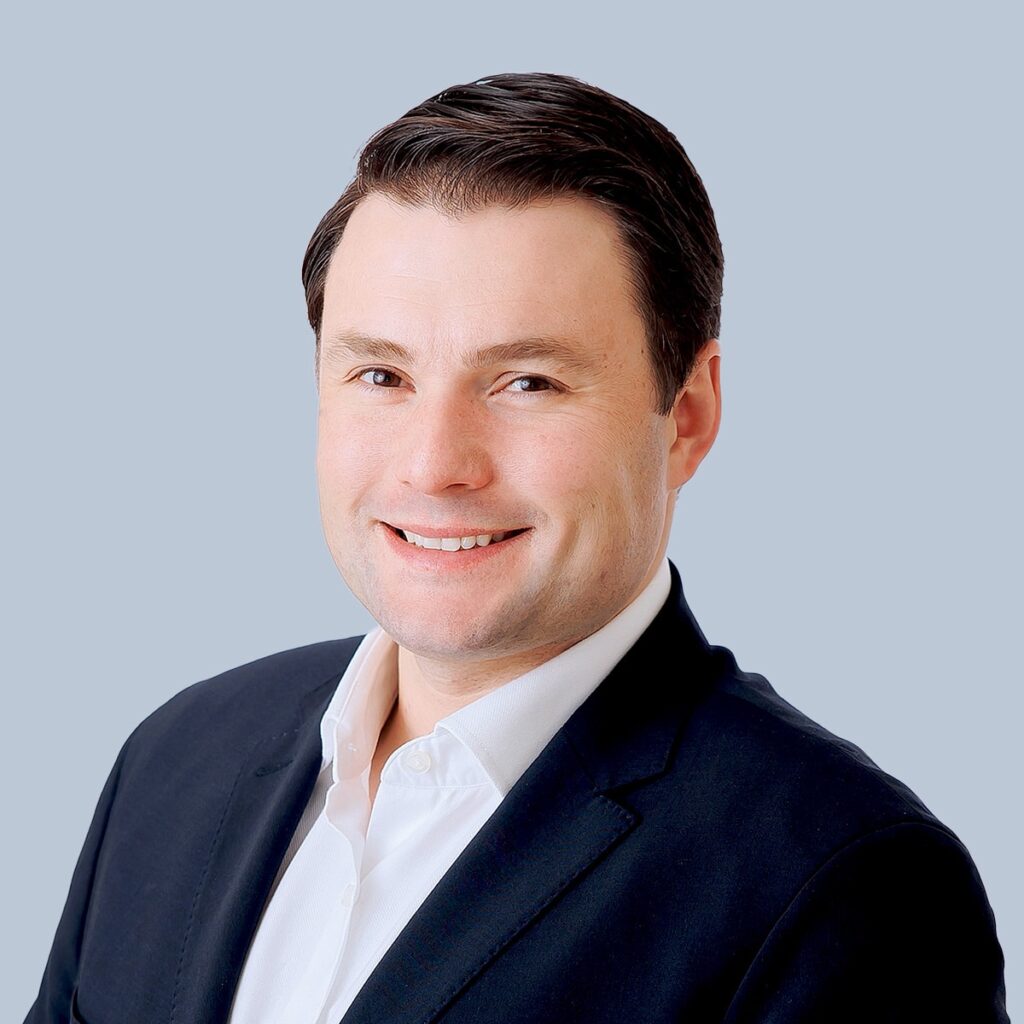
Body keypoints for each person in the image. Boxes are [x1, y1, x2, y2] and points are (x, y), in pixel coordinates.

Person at [26, 72, 1009, 1024]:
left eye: (527, 382)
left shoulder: (843, 887)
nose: (435, 463)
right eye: (380, 375)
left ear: (689, 415)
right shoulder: (175, 760)